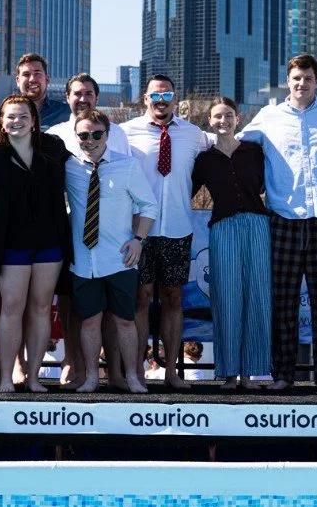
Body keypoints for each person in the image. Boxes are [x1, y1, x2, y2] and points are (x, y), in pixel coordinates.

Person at [239, 54, 317, 390]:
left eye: (307, 78)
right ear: (287, 81)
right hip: (283, 220)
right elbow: (234, 144)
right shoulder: (267, 117)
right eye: (295, 78)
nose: (300, 84)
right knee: (284, 303)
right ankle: (283, 375)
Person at [121, 75, 210, 388]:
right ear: (145, 98)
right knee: (140, 299)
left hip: (178, 228)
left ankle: (171, 372)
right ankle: (139, 371)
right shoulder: (125, 132)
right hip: (137, 231)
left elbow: (224, 145)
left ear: (176, 99)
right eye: (155, 94)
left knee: (173, 299)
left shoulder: (194, 133)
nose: (161, 100)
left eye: (167, 94)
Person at [0, 95, 72, 393]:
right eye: (10, 117)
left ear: (34, 120)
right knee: (11, 307)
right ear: (1, 122)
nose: (16, 121)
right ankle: (7, 376)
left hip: (49, 241)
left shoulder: (54, 147)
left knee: (41, 308)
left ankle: (33, 378)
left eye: (22, 116)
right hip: (12, 244)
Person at [63, 109, 156, 394]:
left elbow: (149, 205)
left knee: (125, 321)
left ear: (108, 134)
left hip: (120, 258)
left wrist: (139, 239)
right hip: (83, 260)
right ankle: (91, 377)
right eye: (83, 135)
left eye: (96, 134)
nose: (90, 140)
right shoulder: (68, 167)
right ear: (76, 136)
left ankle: (132, 378)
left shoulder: (127, 165)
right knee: (89, 321)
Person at [48, 73, 131, 388]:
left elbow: (126, 178)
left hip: (111, 234)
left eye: (88, 93)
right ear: (67, 97)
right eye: (76, 93)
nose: (82, 98)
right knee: (72, 304)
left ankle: (116, 371)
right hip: (70, 231)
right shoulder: (55, 134)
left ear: (97, 97)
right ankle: (75, 365)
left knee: (110, 308)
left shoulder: (118, 133)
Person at [192, 96, 271, 389]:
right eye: (217, 117)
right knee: (225, 298)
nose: (222, 121)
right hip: (223, 227)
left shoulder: (254, 152)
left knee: (257, 297)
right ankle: (229, 372)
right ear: (209, 122)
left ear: (238, 118)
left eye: (228, 115)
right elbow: (183, 191)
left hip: (258, 226)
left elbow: (271, 184)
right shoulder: (204, 159)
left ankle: (251, 372)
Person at [15, 53, 71, 129]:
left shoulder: (67, 113)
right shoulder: (7, 113)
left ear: (47, 79)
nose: (32, 79)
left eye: (37, 73)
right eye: (26, 74)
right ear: (18, 81)